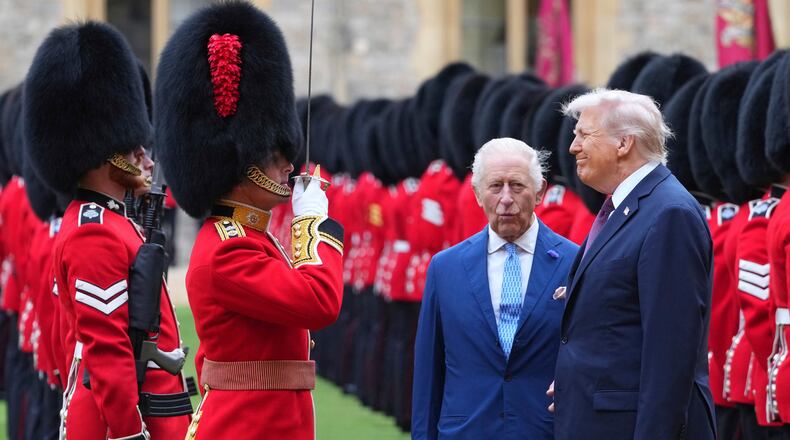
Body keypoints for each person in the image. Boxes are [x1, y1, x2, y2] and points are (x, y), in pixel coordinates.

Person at [154, 2, 344, 438]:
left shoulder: (250, 237)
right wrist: (313, 223)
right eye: (273, 158)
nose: (286, 166)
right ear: (240, 166)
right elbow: (319, 302)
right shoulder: (228, 249)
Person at [23, 21, 192, 439]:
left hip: (146, 407)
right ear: (103, 153)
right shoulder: (92, 232)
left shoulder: (117, 223)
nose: (147, 160)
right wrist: (128, 433)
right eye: (135, 150)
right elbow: (109, 352)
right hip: (114, 424)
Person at [551, 89, 715, 439]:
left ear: (623, 143)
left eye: (583, 135)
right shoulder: (626, 209)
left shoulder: (668, 213)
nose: (573, 147)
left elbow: (670, 353)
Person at [412, 137, 578, 439]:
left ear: (539, 192)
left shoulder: (575, 262)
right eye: (495, 186)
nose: (505, 198)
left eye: (517, 186)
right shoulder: (445, 267)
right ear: (477, 194)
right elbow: (428, 372)